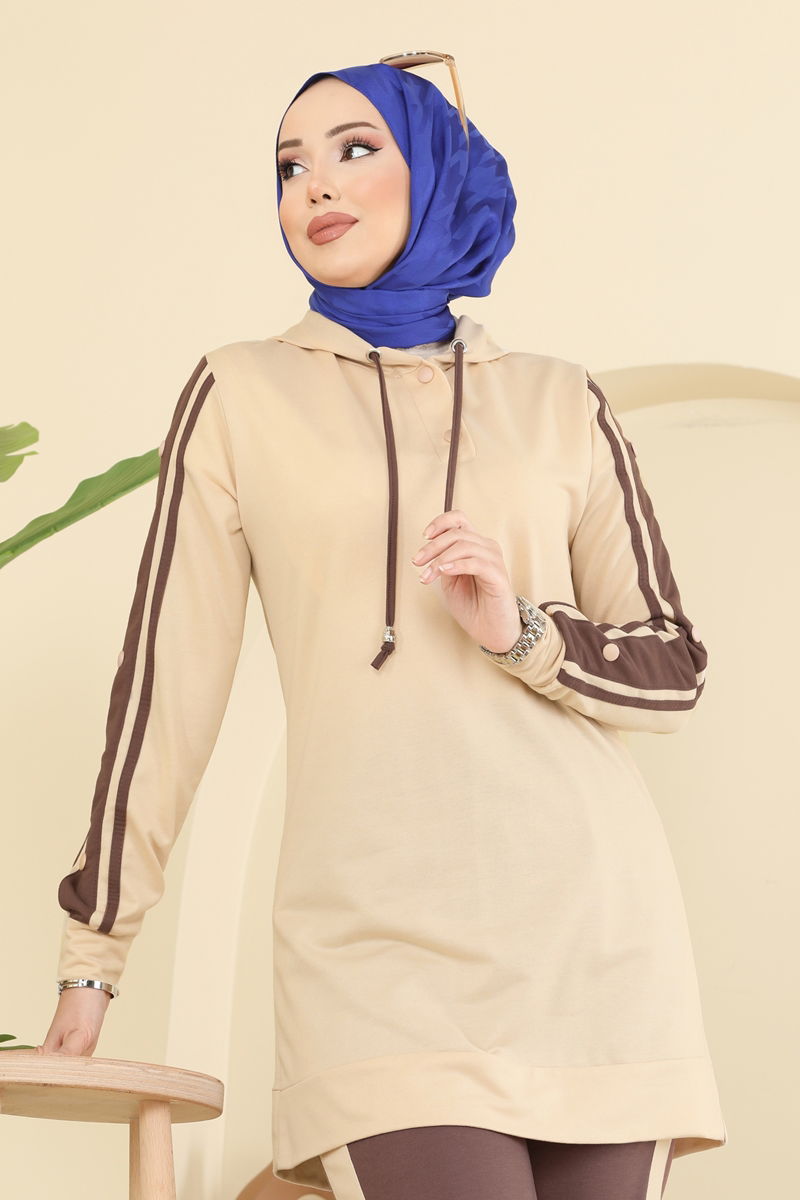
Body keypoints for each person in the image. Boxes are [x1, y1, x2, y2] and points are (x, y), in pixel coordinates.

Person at [38, 58, 727, 1199]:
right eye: (288, 165)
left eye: (355, 148)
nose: (313, 184)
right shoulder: (241, 393)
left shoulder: (558, 398)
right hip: (371, 948)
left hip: (592, 941)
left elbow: (671, 667)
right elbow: (167, 687)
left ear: (437, 169)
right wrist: (93, 960)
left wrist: (522, 631)